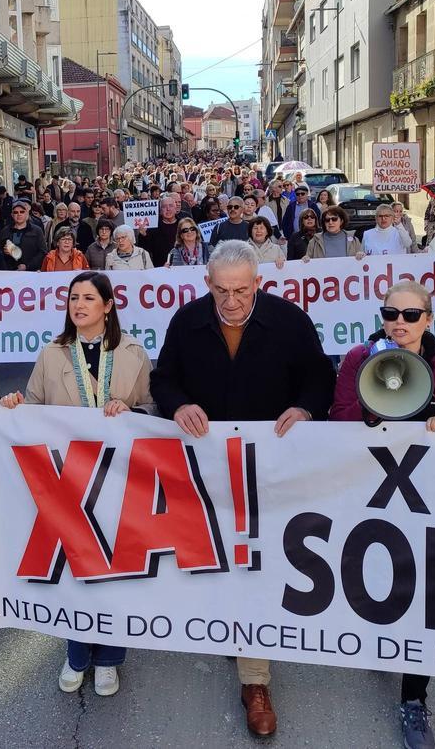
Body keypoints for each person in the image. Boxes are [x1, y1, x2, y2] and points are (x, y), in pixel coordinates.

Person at [150, 241, 335, 738]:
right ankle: (224, 622)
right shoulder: (187, 321)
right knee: (216, 556)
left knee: (257, 562)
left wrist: (305, 409)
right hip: (205, 467)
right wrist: (177, 405)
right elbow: (162, 379)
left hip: (268, 468)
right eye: (221, 290)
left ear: (258, 283)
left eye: (241, 290)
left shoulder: (290, 321)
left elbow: (320, 378)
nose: (231, 301)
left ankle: (255, 680)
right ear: (206, 284)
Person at [330, 281, 435, 749]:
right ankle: (384, 638)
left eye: (412, 315)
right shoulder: (359, 358)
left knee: (427, 596)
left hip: (432, 498)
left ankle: (414, 698)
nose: (400, 322)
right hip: (375, 495)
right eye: (391, 312)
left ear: (429, 319)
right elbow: (337, 419)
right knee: (381, 581)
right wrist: (368, 414)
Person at [0, 272, 151, 698]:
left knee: (114, 569)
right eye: (72, 298)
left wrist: (130, 408)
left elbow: (152, 407)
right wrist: (13, 405)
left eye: (88, 298)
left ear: (107, 305)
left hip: (118, 475)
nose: (79, 305)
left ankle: (110, 658)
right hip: (66, 477)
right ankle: (77, 652)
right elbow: (33, 407)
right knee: (75, 570)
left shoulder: (133, 352)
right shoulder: (51, 354)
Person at [136, 195, 185, 267]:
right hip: (160, 268)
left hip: (182, 266)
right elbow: (145, 250)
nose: (168, 209)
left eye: (171, 206)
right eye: (164, 206)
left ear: (175, 208)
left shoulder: (183, 224)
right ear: (160, 210)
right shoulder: (152, 227)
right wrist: (143, 235)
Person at [0, 200, 46, 271]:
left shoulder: (37, 231)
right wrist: (4, 251)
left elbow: (43, 252)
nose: (19, 214)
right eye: (16, 212)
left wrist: (27, 266)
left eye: (22, 212)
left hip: (31, 273)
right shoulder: (5, 231)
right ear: (12, 215)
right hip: (10, 273)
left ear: (27, 213)